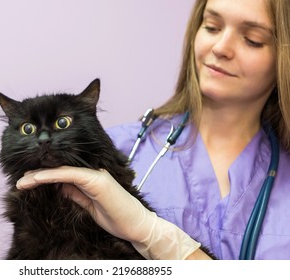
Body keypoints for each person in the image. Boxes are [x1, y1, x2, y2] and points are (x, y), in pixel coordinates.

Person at [16, 0, 290, 260]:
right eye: (212, 27)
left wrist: (155, 236)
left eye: (253, 39)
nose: (221, 47)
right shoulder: (106, 152)